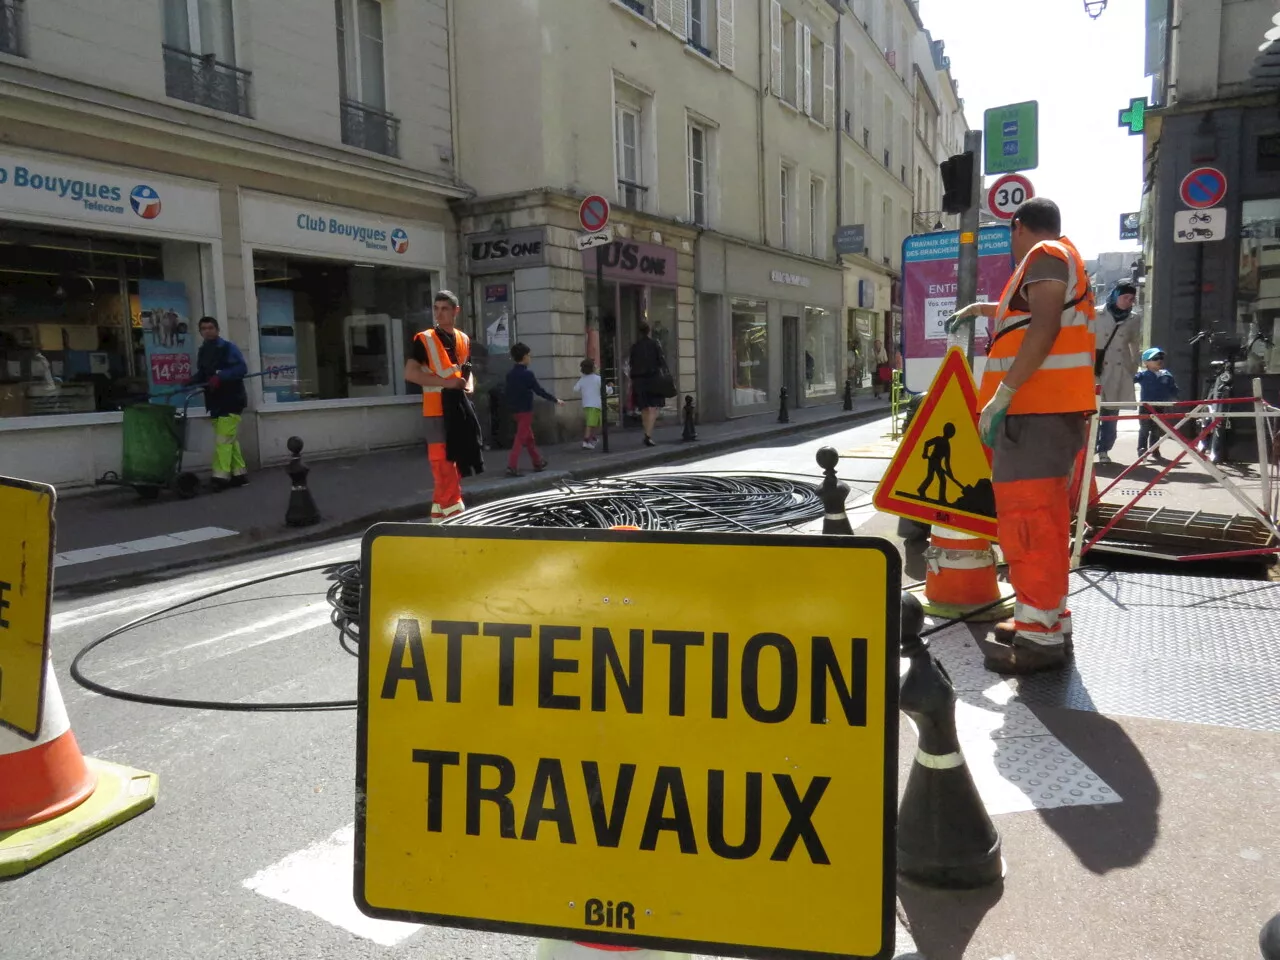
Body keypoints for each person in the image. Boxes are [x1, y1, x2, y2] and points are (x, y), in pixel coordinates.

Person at [948, 197, 1095, 669]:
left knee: (1029, 524)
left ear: (1017, 227)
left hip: (1035, 412)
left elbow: (1045, 324)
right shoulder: (1058, 258)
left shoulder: (1045, 254)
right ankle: (1045, 618)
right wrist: (985, 307)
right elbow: (1031, 315)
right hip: (1042, 415)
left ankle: (1040, 639)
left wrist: (1003, 393)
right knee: (1042, 522)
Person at [404, 291, 473, 521]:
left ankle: (442, 513)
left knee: (455, 462)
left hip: (458, 408)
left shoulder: (463, 339)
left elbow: (465, 370)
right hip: (435, 411)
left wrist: (467, 384)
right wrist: (447, 383)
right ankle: (453, 512)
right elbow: (411, 374)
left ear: (456, 311)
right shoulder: (424, 339)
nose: (439, 312)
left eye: (444, 308)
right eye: (436, 308)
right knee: (442, 463)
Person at [188, 316, 248, 491]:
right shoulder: (204, 351)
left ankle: (220, 477)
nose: (207, 331)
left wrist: (220, 376)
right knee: (229, 439)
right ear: (200, 332)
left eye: (210, 327)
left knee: (223, 440)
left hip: (231, 400)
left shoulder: (228, 348)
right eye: (204, 328)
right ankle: (239, 474)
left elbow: (240, 369)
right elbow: (203, 373)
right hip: (214, 401)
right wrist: (191, 381)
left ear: (217, 329)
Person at [1093, 280, 1142, 464]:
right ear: (1115, 295)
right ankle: (1090, 449)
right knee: (1092, 413)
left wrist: (1132, 368)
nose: (1128, 301)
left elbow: (1134, 344)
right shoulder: (1095, 313)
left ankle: (1104, 450)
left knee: (1111, 415)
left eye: (1132, 298)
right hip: (1096, 369)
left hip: (1118, 370)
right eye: (1125, 297)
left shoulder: (1134, 318)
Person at [504, 342, 562, 476]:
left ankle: (537, 462)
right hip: (525, 410)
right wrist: (555, 400)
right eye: (529, 356)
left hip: (515, 410)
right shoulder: (528, 374)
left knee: (529, 438)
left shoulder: (510, 374)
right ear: (524, 357)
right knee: (520, 439)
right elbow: (539, 390)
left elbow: (508, 392)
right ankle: (511, 466)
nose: (530, 358)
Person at [628, 321, 669, 446]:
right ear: (649, 331)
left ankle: (646, 432)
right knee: (653, 408)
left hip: (639, 380)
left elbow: (631, 363)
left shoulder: (635, 346)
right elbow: (661, 361)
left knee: (644, 408)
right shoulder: (655, 344)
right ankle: (648, 435)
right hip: (653, 379)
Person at [1134, 347, 1179, 459]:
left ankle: (1155, 449)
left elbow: (1173, 388)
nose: (1159, 360)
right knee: (1144, 429)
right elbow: (1131, 378)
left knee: (1156, 429)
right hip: (1146, 406)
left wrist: (1174, 397)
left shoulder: (1166, 375)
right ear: (1146, 362)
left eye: (1161, 357)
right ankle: (1142, 449)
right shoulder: (1143, 375)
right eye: (1155, 358)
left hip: (1160, 406)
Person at [573, 357, 603, 450]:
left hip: (586, 404)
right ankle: (586, 441)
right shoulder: (598, 378)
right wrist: (610, 388)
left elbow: (575, 389)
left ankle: (592, 437)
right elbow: (606, 390)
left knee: (595, 423)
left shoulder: (582, 379)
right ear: (593, 368)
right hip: (595, 405)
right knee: (591, 424)